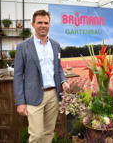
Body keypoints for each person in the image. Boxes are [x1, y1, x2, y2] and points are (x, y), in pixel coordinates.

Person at [13, 10, 70, 143]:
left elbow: (58, 67)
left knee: (49, 132)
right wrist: (20, 101)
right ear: (33, 24)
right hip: (33, 96)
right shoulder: (23, 47)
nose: (43, 25)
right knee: (37, 135)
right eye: (39, 22)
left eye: (46, 22)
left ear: (49, 25)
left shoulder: (56, 46)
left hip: (53, 95)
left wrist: (63, 80)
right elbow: (18, 75)